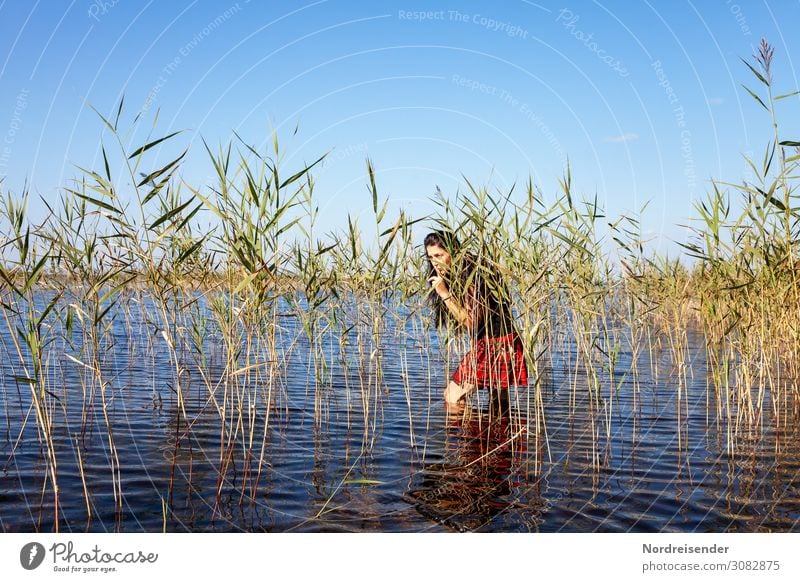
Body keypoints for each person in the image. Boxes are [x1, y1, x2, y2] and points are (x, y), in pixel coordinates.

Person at [424, 230, 528, 407]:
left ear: (453, 251)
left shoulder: (471, 272)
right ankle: (497, 433)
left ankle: (467, 435)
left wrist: (443, 292)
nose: (435, 262)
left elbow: (471, 322)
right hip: (500, 340)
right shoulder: (469, 269)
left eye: (439, 255)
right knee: (498, 400)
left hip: (495, 344)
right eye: (431, 257)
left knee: (452, 397)